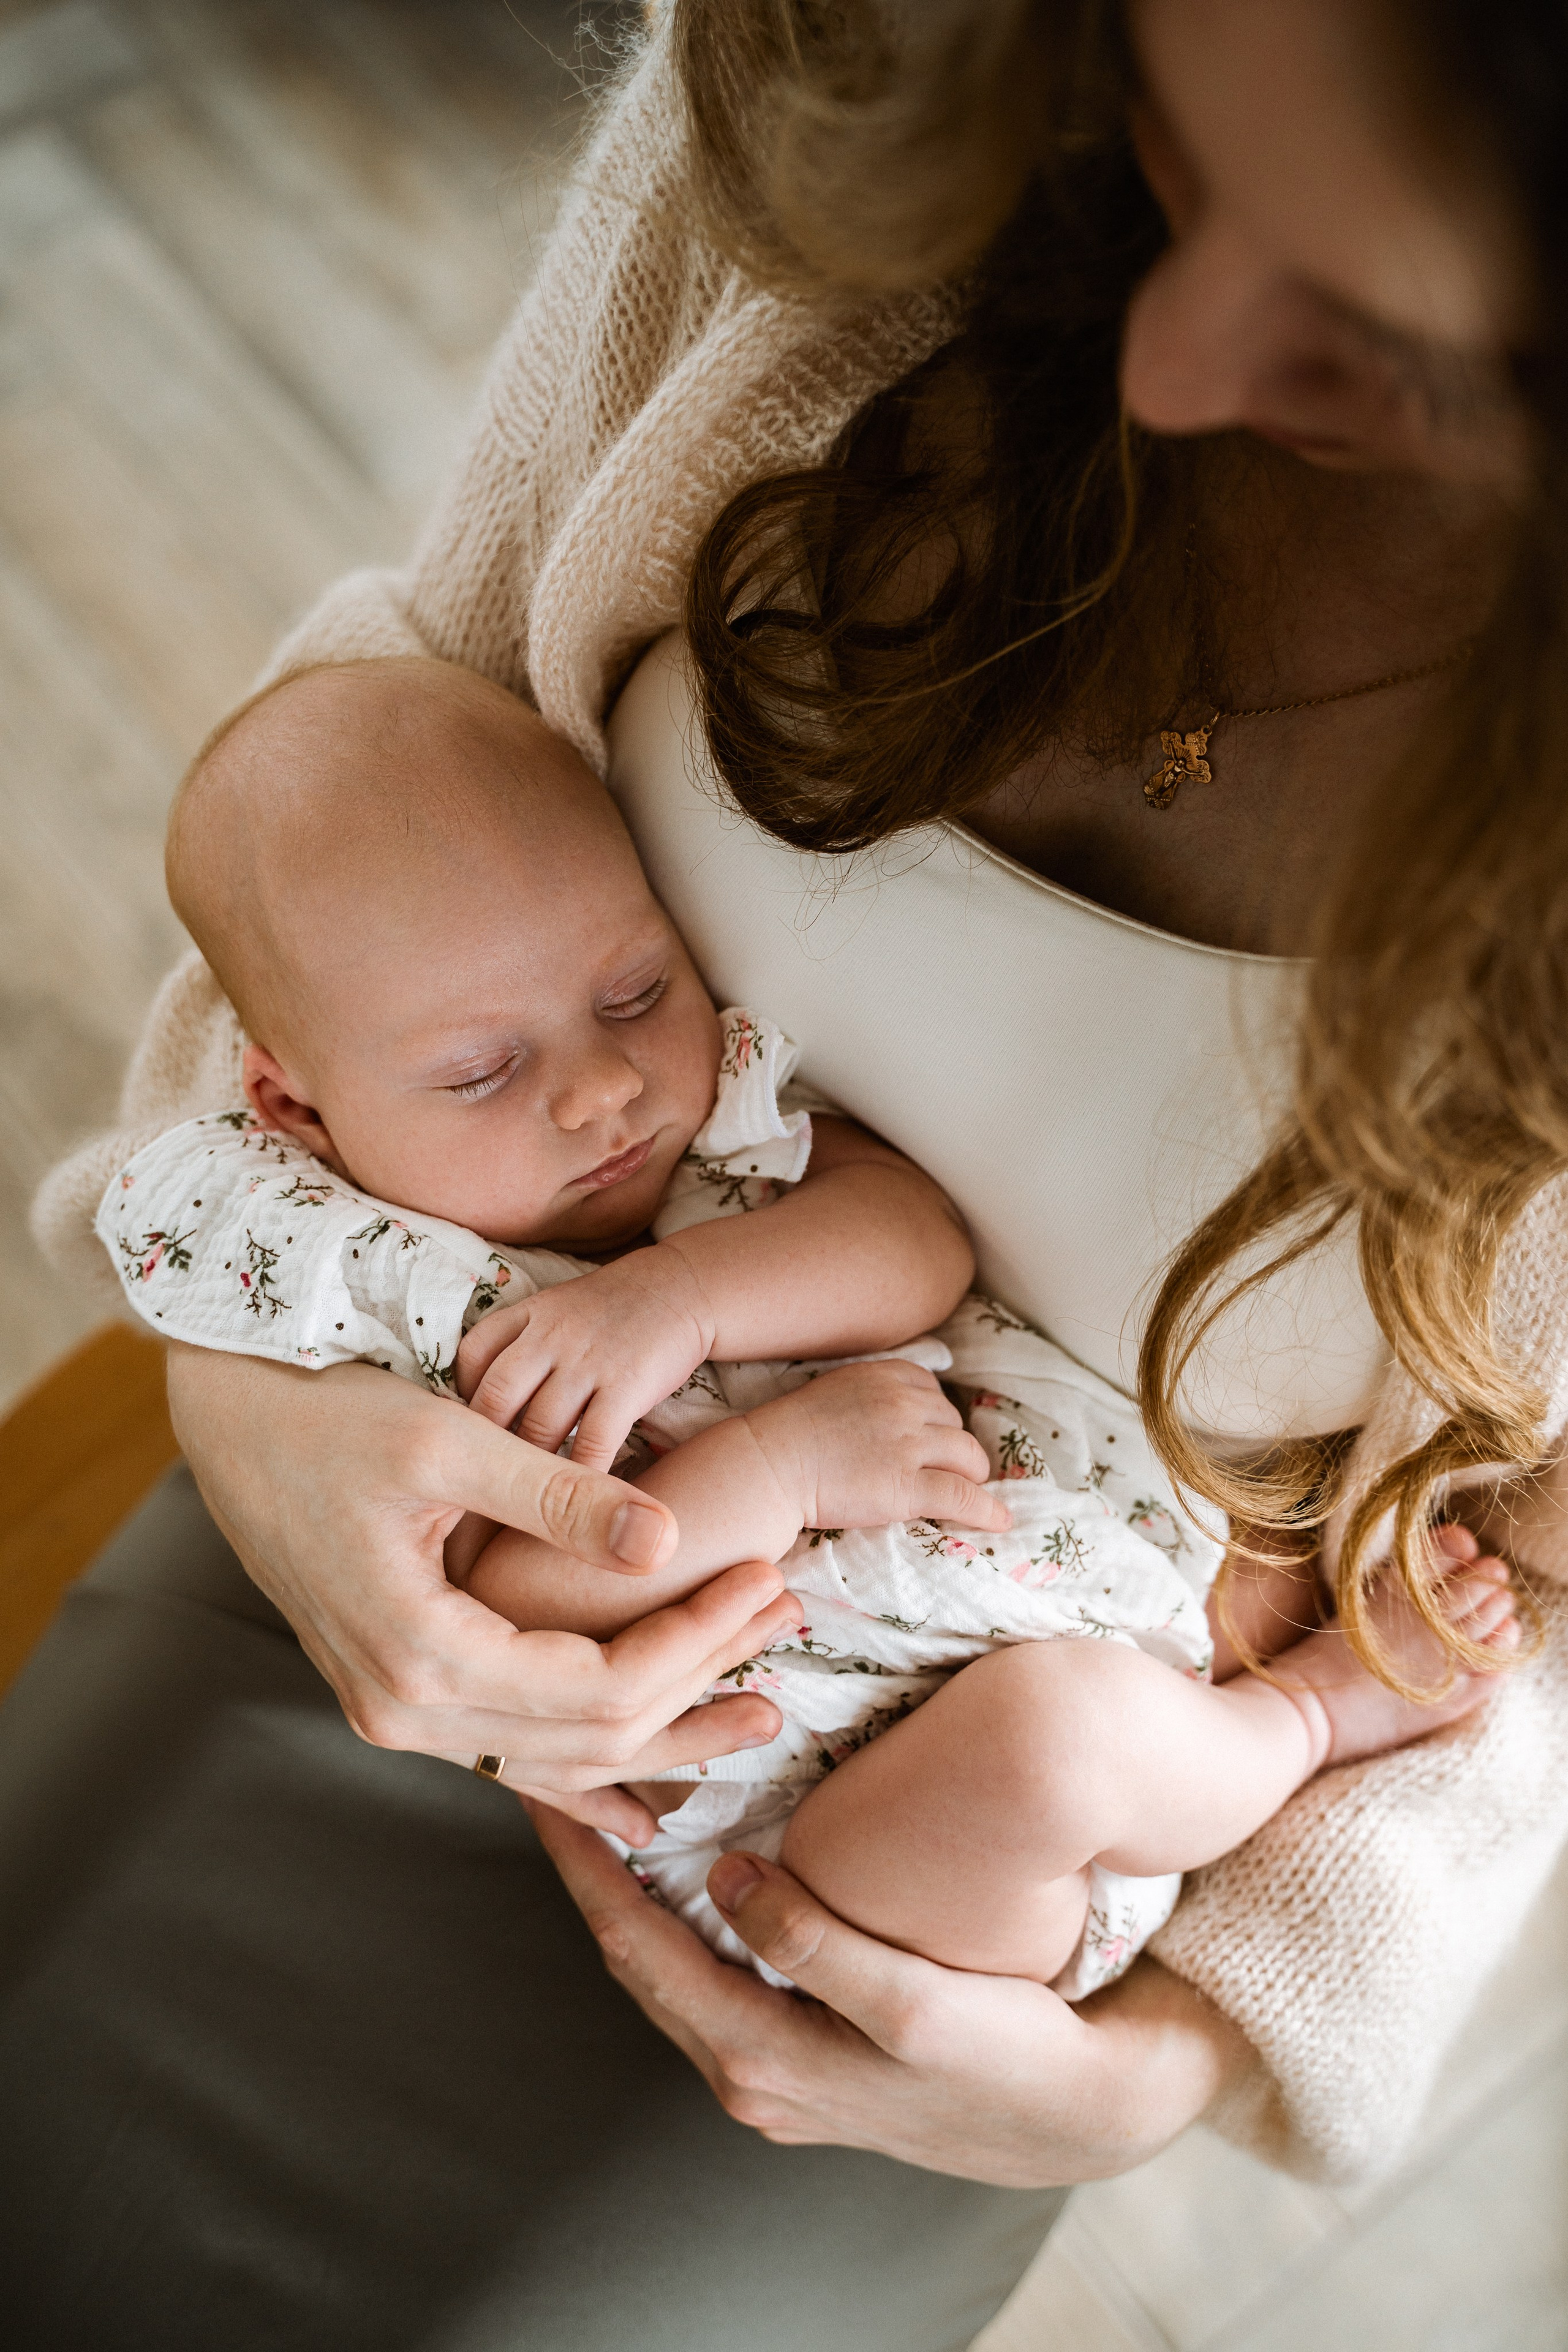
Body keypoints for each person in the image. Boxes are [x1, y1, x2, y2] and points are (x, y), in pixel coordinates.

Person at [7, 0, 1568, 2342]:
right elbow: (410, 734)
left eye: (1381, 332)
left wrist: (1153, 2066)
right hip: (375, 1566)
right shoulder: (892, 80)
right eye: (1168, 155)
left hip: (925, 1863)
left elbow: (1508, 1595)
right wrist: (269, 1410)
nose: (1169, 356)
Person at [100, 651, 1523, 2008]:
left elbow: (912, 1243)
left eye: (632, 990)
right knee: (1046, 1748)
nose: (601, 1089)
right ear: (293, 1108)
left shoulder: (721, 1129)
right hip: (817, 1855)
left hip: (1037, 1600)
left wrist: (682, 1292)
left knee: (1071, 1724)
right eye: (479, 1072)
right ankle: (1306, 1722)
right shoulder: (353, 1278)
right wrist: (781, 1472)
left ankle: (1275, 1726)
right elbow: (519, 1619)